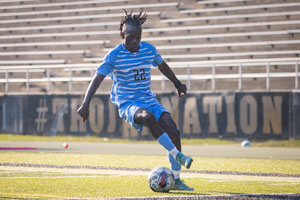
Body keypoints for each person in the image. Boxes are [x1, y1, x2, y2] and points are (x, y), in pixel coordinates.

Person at [77, 10, 194, 191]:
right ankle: (177, 155)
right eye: (130, 37)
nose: (135, 41)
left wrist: (178, 83)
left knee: (174, 131)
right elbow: (97, 78)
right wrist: (85, 103)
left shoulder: (148, 49)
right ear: (122, 34)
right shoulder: (114, 55)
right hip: (128, 104)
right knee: (148, 117)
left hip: (149, 100)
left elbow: (162, 65)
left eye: (138, 37)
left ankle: (177, 180)